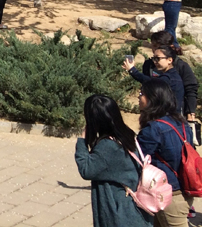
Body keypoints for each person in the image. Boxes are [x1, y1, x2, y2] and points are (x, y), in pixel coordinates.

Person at [74, 94, 152, 227]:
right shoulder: (126, 134)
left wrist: (82, 141)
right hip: (134, 209)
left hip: (119, 212)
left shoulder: (108, 146)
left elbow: (86, 170)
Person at [136, 78, 195, 226]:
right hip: (183, 189)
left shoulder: (153, 129)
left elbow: (136, 159)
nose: (138, 96)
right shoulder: (181, 122)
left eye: (142, 93)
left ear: (153, 98)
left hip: (167, 195)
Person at [146, 31, 198, 124]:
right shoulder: (149, 65)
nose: (155, 49)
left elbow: (191, 89)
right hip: (154, 111)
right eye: (153, 46)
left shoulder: (181, 66)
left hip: (174, 114)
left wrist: (191, 113)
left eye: (159, 46)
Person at [125, 44, 185, 116]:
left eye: (158, 58)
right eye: (154, 58)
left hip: (169, 118)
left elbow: (152, 83)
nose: (155, 61)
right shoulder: (171, 76)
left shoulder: (168, 78)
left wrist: (133, 71)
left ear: (169, 60)